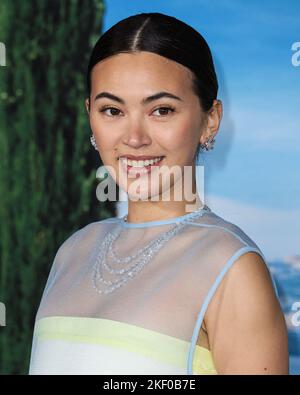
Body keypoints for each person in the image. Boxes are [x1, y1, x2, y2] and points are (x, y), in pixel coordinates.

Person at [29, 12, 289, 375]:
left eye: (161, 110)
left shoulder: (232, 268)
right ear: (91, 115)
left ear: (209, 120)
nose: (134, 138)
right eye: (112, 110)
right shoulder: (73, 251)